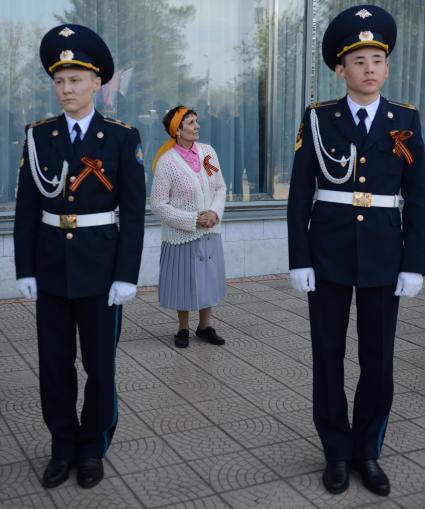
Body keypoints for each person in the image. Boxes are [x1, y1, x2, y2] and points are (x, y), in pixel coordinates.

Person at [287, 5, 425, 497]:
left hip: (384, 258)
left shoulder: (404, 118)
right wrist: (299, 258)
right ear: (341, 70)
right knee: (327, 356)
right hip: (327, 254)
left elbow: (418, 195)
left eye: (377, 59)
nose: (369, 68)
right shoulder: (319, 119)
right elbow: (300, 193)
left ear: (386, 67)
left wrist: (414, 263)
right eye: (359, 60)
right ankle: (335, 452)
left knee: (378, 359)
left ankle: (367, 450)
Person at [14, 24, 145, 489]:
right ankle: (62, 444)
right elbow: (28, 208)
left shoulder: (121, 138)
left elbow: (132, 213)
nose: (66, 89)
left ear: (96, 84)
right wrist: (24, 267)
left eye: (75, 80)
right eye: (59, 81)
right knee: (54, 364)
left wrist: (127, 274)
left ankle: (92, 447)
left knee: (99, 366)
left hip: (100, 268)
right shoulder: (38, 136)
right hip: (51, 266)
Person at [151, 105, 226, 348]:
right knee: (184, 279)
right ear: (177, 130)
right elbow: (158, 205)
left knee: (208, 278)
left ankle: (205, 327)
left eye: (196, 121)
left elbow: (220, 187)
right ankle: (182, 328)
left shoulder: (206, 154)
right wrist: (193, 219)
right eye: (191, 123)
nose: (197, 126)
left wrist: (214, 213)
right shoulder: (167, 163)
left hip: (210, 229)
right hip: (181, 233)